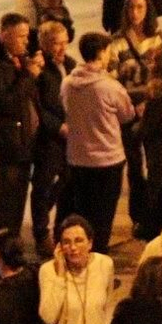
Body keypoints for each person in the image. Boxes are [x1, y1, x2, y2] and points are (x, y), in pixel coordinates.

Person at [60, 32, 137, 250]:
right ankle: (99, 259)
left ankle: (81, 256)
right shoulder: (109, 87)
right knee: (103, 218)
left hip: (77, 158)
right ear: (102, 52)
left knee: (83, 214)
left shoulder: (67, 84)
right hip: (107, 160)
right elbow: (127, 114)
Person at [102, 0, 162, 238]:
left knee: (156, 166)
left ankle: (154, 216)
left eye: (140, 7)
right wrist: (129, 103)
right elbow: (111, 77)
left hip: (153, 109)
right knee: (134, 166)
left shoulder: (158, 40)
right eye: (131, 7)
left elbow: (161, 76)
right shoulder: (116, 41)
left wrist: (149, 101)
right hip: (127, 109)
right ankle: (138, 216)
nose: (136, 13)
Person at [0, 13, 41, 240]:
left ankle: (12, 246)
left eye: (27, 36)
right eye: (21, 36)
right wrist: (28, 76)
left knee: (17, 206)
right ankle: (3, 251)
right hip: (7, 149)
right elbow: (7, 104)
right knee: (6, 208)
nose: (26, 41)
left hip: (22, 146)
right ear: (4, 36)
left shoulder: (18, 58)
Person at [31, 21, 75, 249]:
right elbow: (38, 106)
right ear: (44, 44)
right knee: (43, 185)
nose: (62, 48)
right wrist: (58, 127)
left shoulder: (70, 64)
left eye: (65, 43)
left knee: (67, 181)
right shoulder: (40, 70)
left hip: (70, 138)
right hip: (48, 139)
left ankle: (59, 228)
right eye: (56, 44)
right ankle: (40, 233)